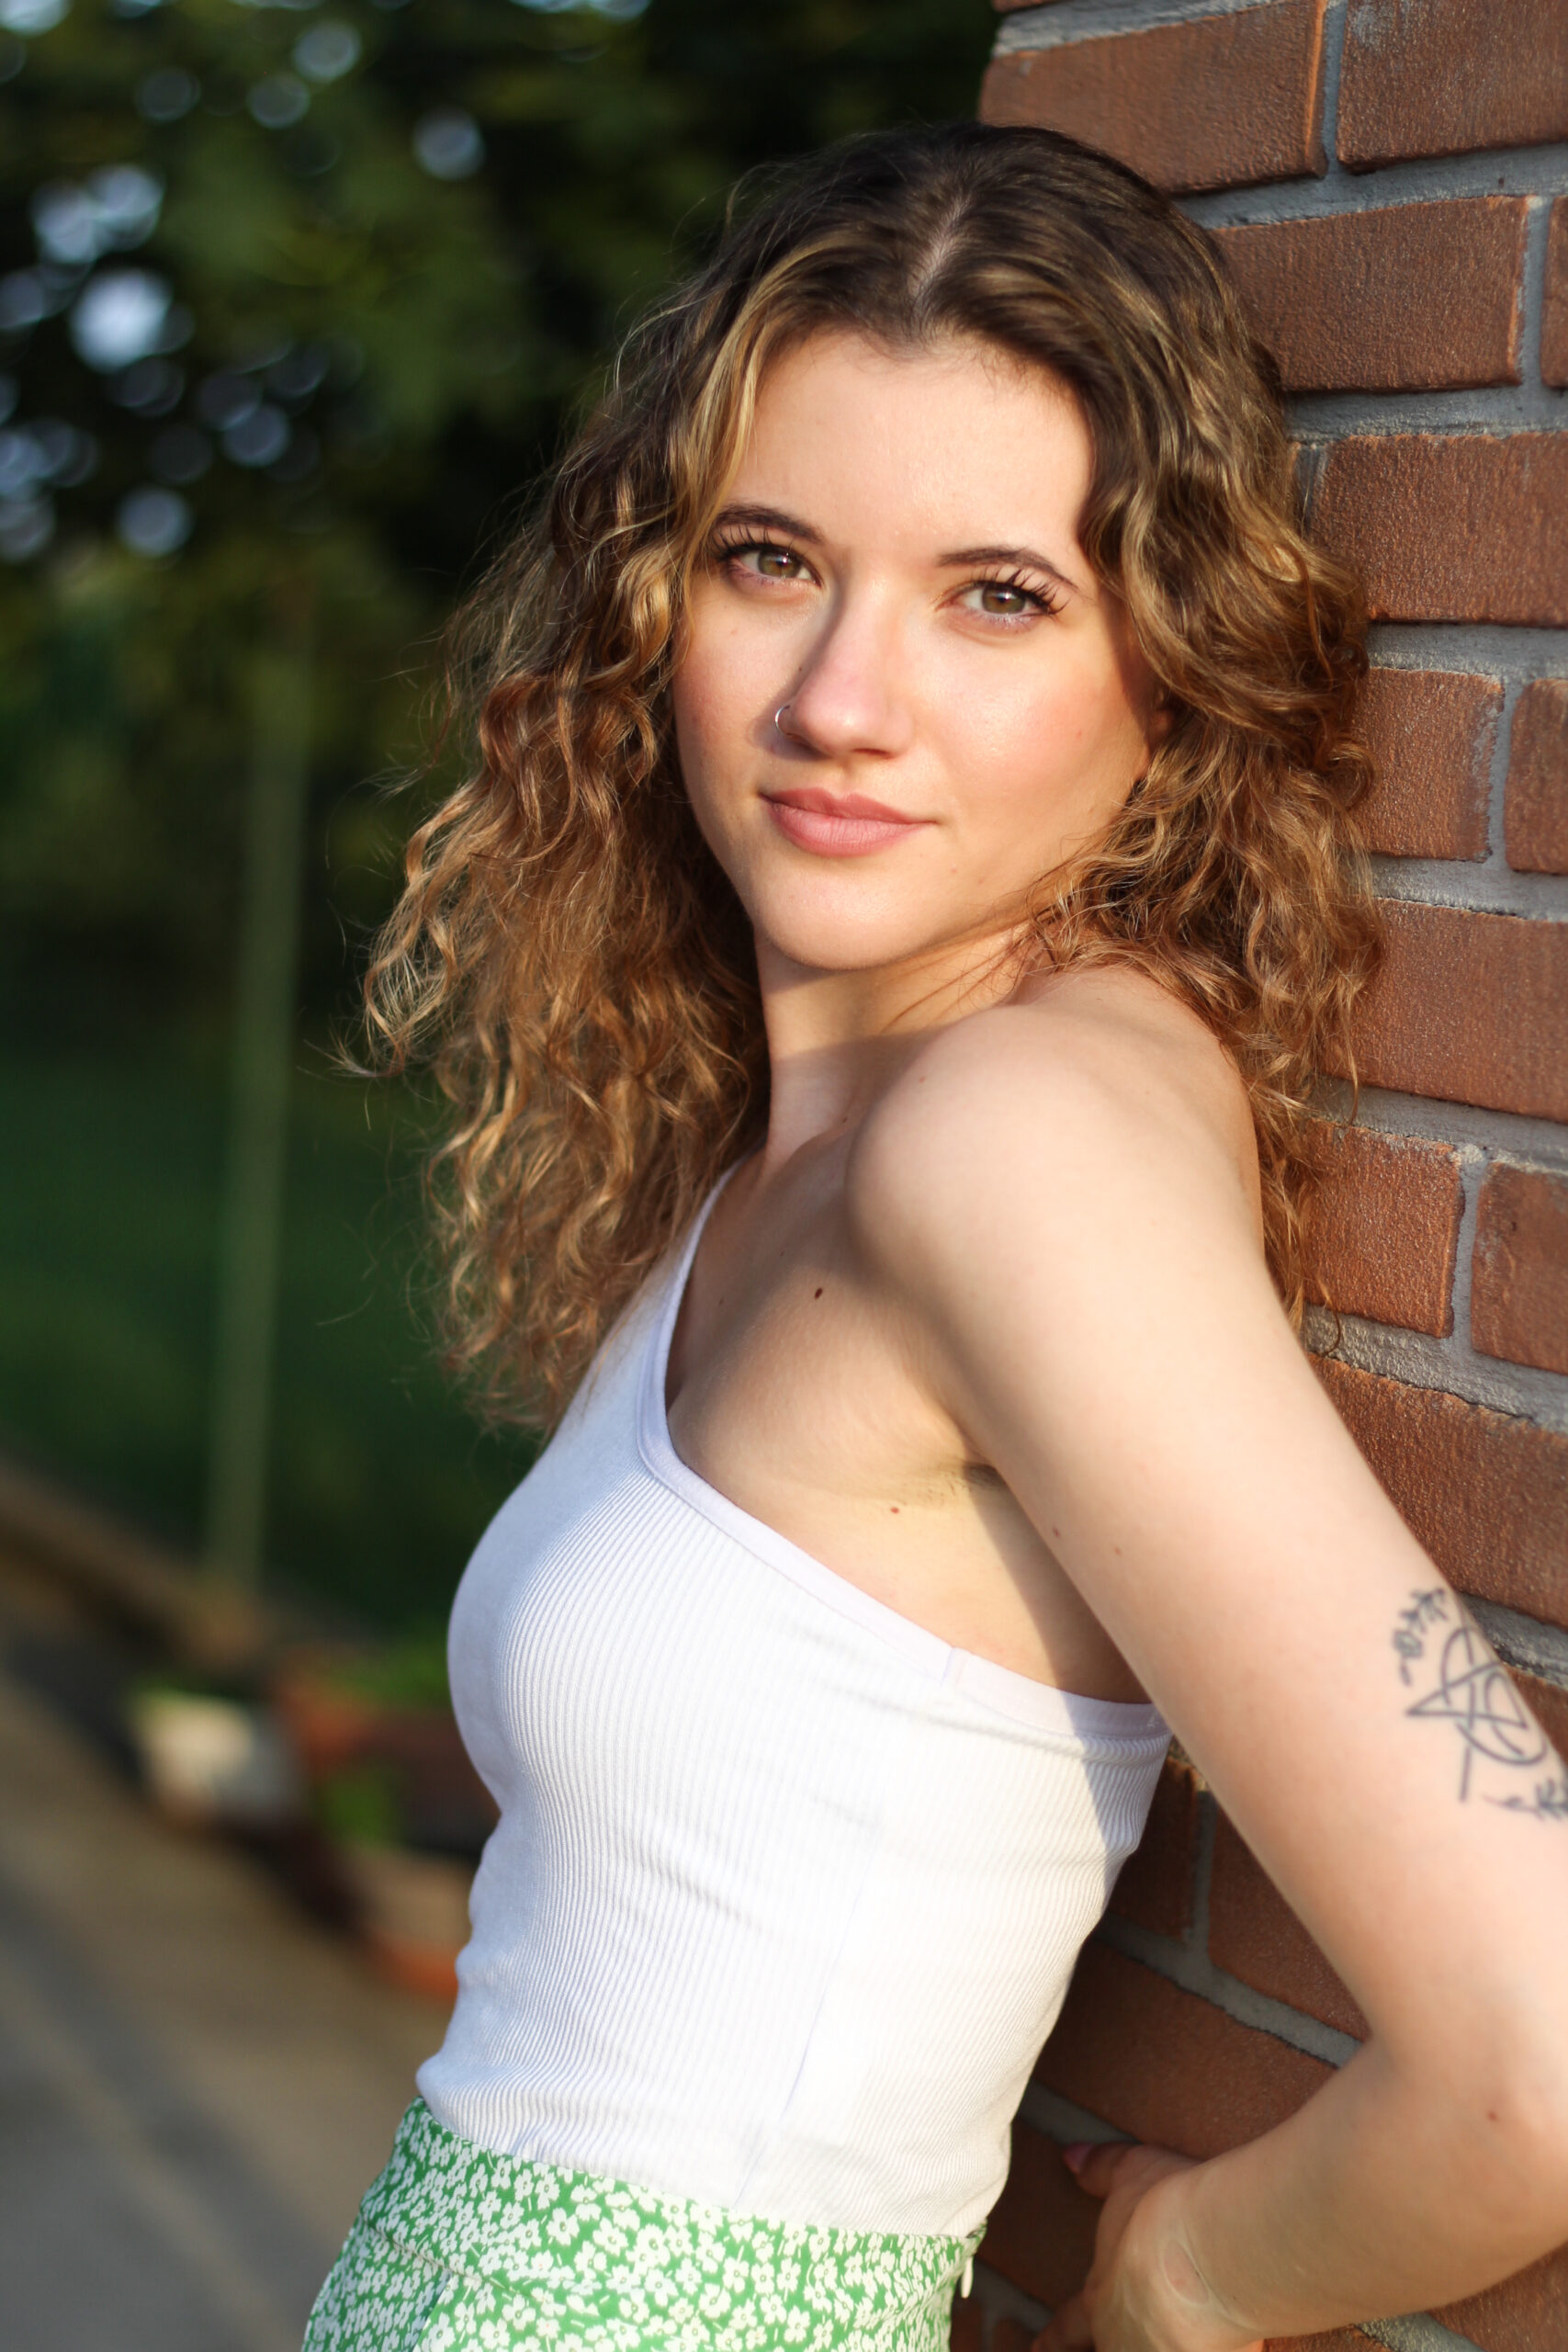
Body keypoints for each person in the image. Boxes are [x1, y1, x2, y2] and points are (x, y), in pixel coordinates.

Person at [306, 124, 1568, 2352]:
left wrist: (1191, 2272)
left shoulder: (1012, 1140)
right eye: (768, 558)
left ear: (1168, 669)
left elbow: (1536, 2050)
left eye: (997, 594)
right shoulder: (830, 1131)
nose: (837, 702)